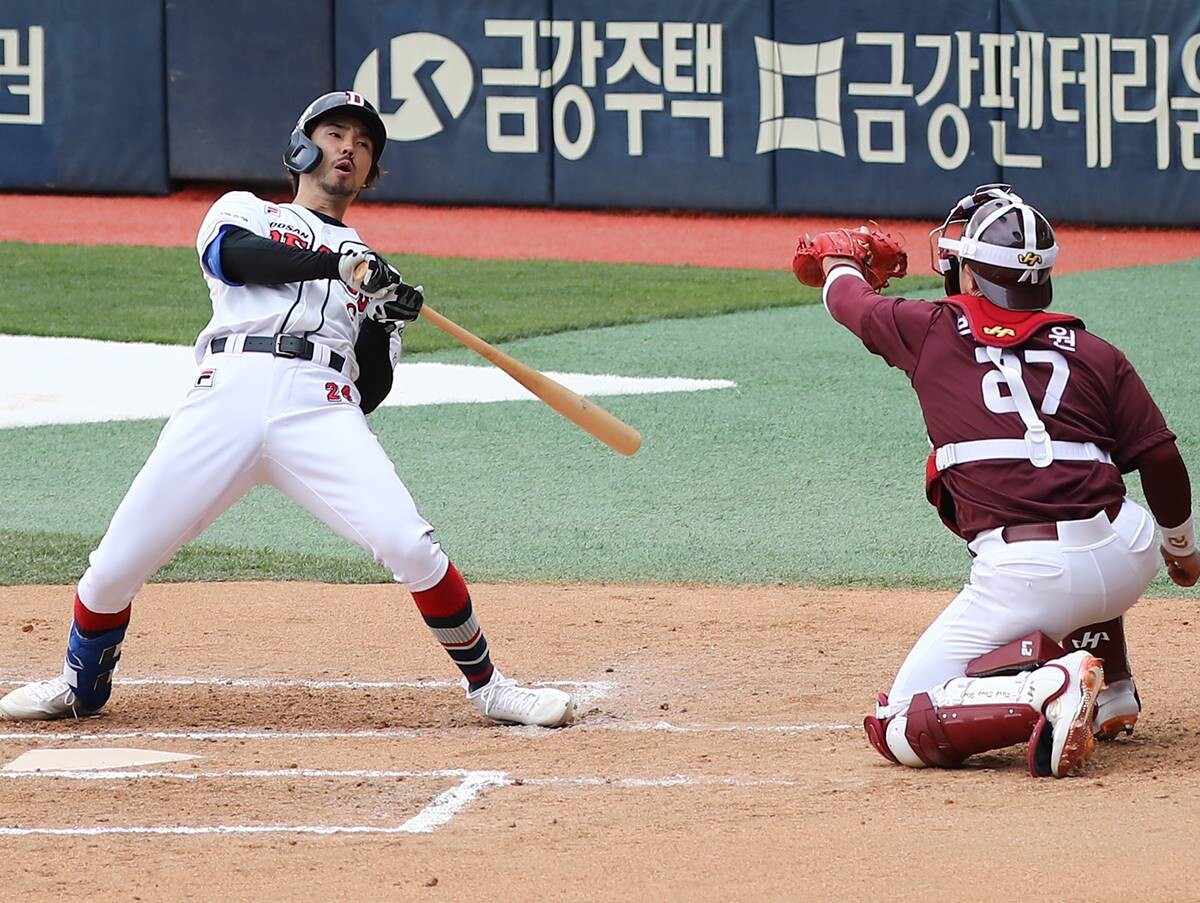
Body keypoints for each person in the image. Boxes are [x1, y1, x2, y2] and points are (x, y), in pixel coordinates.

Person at [0, 91, 573, 728]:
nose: (348, 148)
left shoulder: (373, 272)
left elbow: (370, 393)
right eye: (335, 133)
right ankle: (81, 685)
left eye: (363, 142)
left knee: (408, 545)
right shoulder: (242, 211)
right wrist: (340, 266)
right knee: (111, 568)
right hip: (226, 394)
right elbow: (236, 261)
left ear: (371, 171)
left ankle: (489, 688)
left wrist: (382, 321)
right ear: (301, 146)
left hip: (319, 409)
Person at [792, 184, 1197, 776]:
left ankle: (1047, 689)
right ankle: (1112, 691)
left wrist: (840, 260)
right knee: (1077, 485)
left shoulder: (927, 328)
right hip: (1128, 551)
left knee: (898, 722)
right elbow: (1161, 461)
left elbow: (846, 299)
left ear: (975, 279)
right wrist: (1182, 550)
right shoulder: (1094, 352)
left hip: (1030, 575)